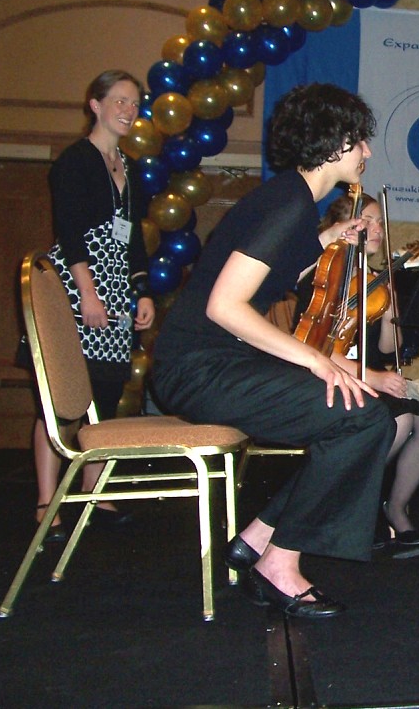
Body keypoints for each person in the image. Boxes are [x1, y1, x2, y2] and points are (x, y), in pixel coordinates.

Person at [151, 83, 394, 620]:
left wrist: (329, 237)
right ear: (332, 144)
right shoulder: (287, 203)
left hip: (208, 361)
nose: (367, 152)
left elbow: (270, 271)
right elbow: (226, 306)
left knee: (367, 416)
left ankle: (259, 537)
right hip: (199, 368)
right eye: (359, 141)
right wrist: (316, 358)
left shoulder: (290, 200)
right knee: (365, 421)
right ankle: (278, 561)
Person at [35, 69, 156, 541]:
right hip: (76, 283)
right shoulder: (74, 161)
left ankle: (94, 494)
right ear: (96, 105)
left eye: (135, 103)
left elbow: (135, 243)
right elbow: (69, 233)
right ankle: (48, 502)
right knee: (60, 399)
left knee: (103, 395)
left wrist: (141, 290)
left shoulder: (130, 166)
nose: (129, 110)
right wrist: (86, 293)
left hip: (114, 288)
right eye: (120, 101)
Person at [309, 192, 419, 548]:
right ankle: (352, 505)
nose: (377, 229)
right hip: (329, 377)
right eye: (367, 221)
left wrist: (392, 305)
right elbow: (317, 348)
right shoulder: (322, 278)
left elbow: (387, 348)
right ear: (343, 228)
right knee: (398, 421)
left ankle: (397, 508)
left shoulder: (375, 282)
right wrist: (374, 378)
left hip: (370, 375)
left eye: (379, 222)